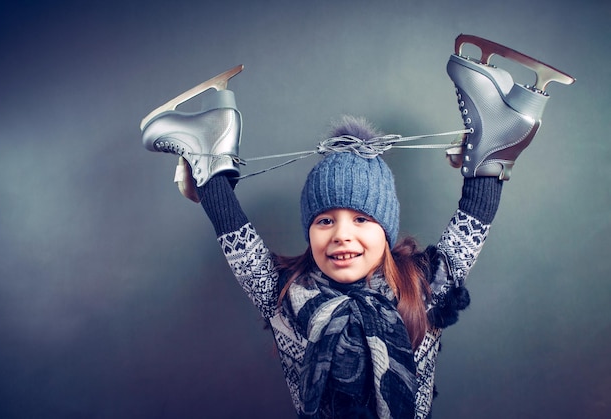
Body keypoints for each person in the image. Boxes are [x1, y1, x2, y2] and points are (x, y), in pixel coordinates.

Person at [141, 35, 574, 419]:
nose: (342, 234)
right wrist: (210, 171)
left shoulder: (422, 286)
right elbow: (236, 236)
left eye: (362, 219)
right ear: (309, 230)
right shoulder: (282, 294)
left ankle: (499, 117)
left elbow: (471, 223)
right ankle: (210, 133)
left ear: (385, 231)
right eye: (325, 220)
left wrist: (492, 159)